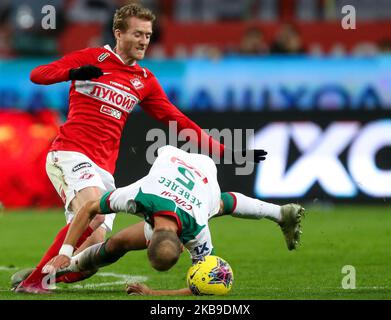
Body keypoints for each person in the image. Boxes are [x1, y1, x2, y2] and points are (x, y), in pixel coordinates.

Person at [14, 3, 267, 294]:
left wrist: (228, 153)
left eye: (147, 35)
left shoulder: (144, 81)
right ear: (118, 33)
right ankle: (36, 282)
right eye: (137, 34)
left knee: (94, 249)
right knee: (94, 213)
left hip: (104, 169)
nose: (144, 40)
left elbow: (179, 121)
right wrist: (74, 71)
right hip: (70, 152)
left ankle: (46, 275)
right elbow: (38, 74)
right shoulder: (92, 57)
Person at [40, 145, 305, 295]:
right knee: (217, 204)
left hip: (192, 167)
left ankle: (281, 214)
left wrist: (154, 295)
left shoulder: (146, 201)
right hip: (183, 171)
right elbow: (205, 286)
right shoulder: (191, 227)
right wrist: (65, 251)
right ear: (181, 246)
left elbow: (209, 286)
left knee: (119, 242)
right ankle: (279, 213)